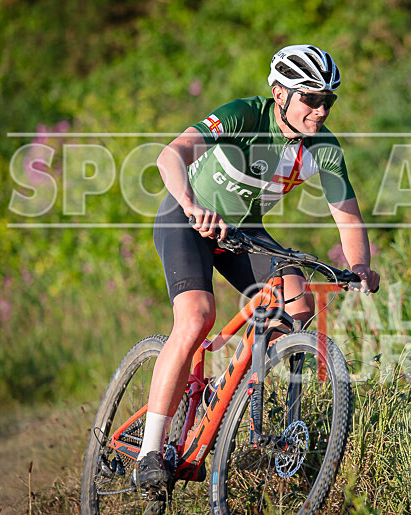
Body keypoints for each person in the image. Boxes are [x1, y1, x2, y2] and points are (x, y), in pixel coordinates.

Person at [132, 44, 381, 489]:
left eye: (328, 100)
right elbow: (170, 155)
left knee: (298, 304)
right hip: (186, 219)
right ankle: (149, 454)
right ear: (279, 93)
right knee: (196, 318)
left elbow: (347, 217)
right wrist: (190, 204)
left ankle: (237, 396)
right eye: (311, 98)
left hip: (241, 231)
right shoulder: (244, 115)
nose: (321, 110)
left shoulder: (324, 148)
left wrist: (360, 266)